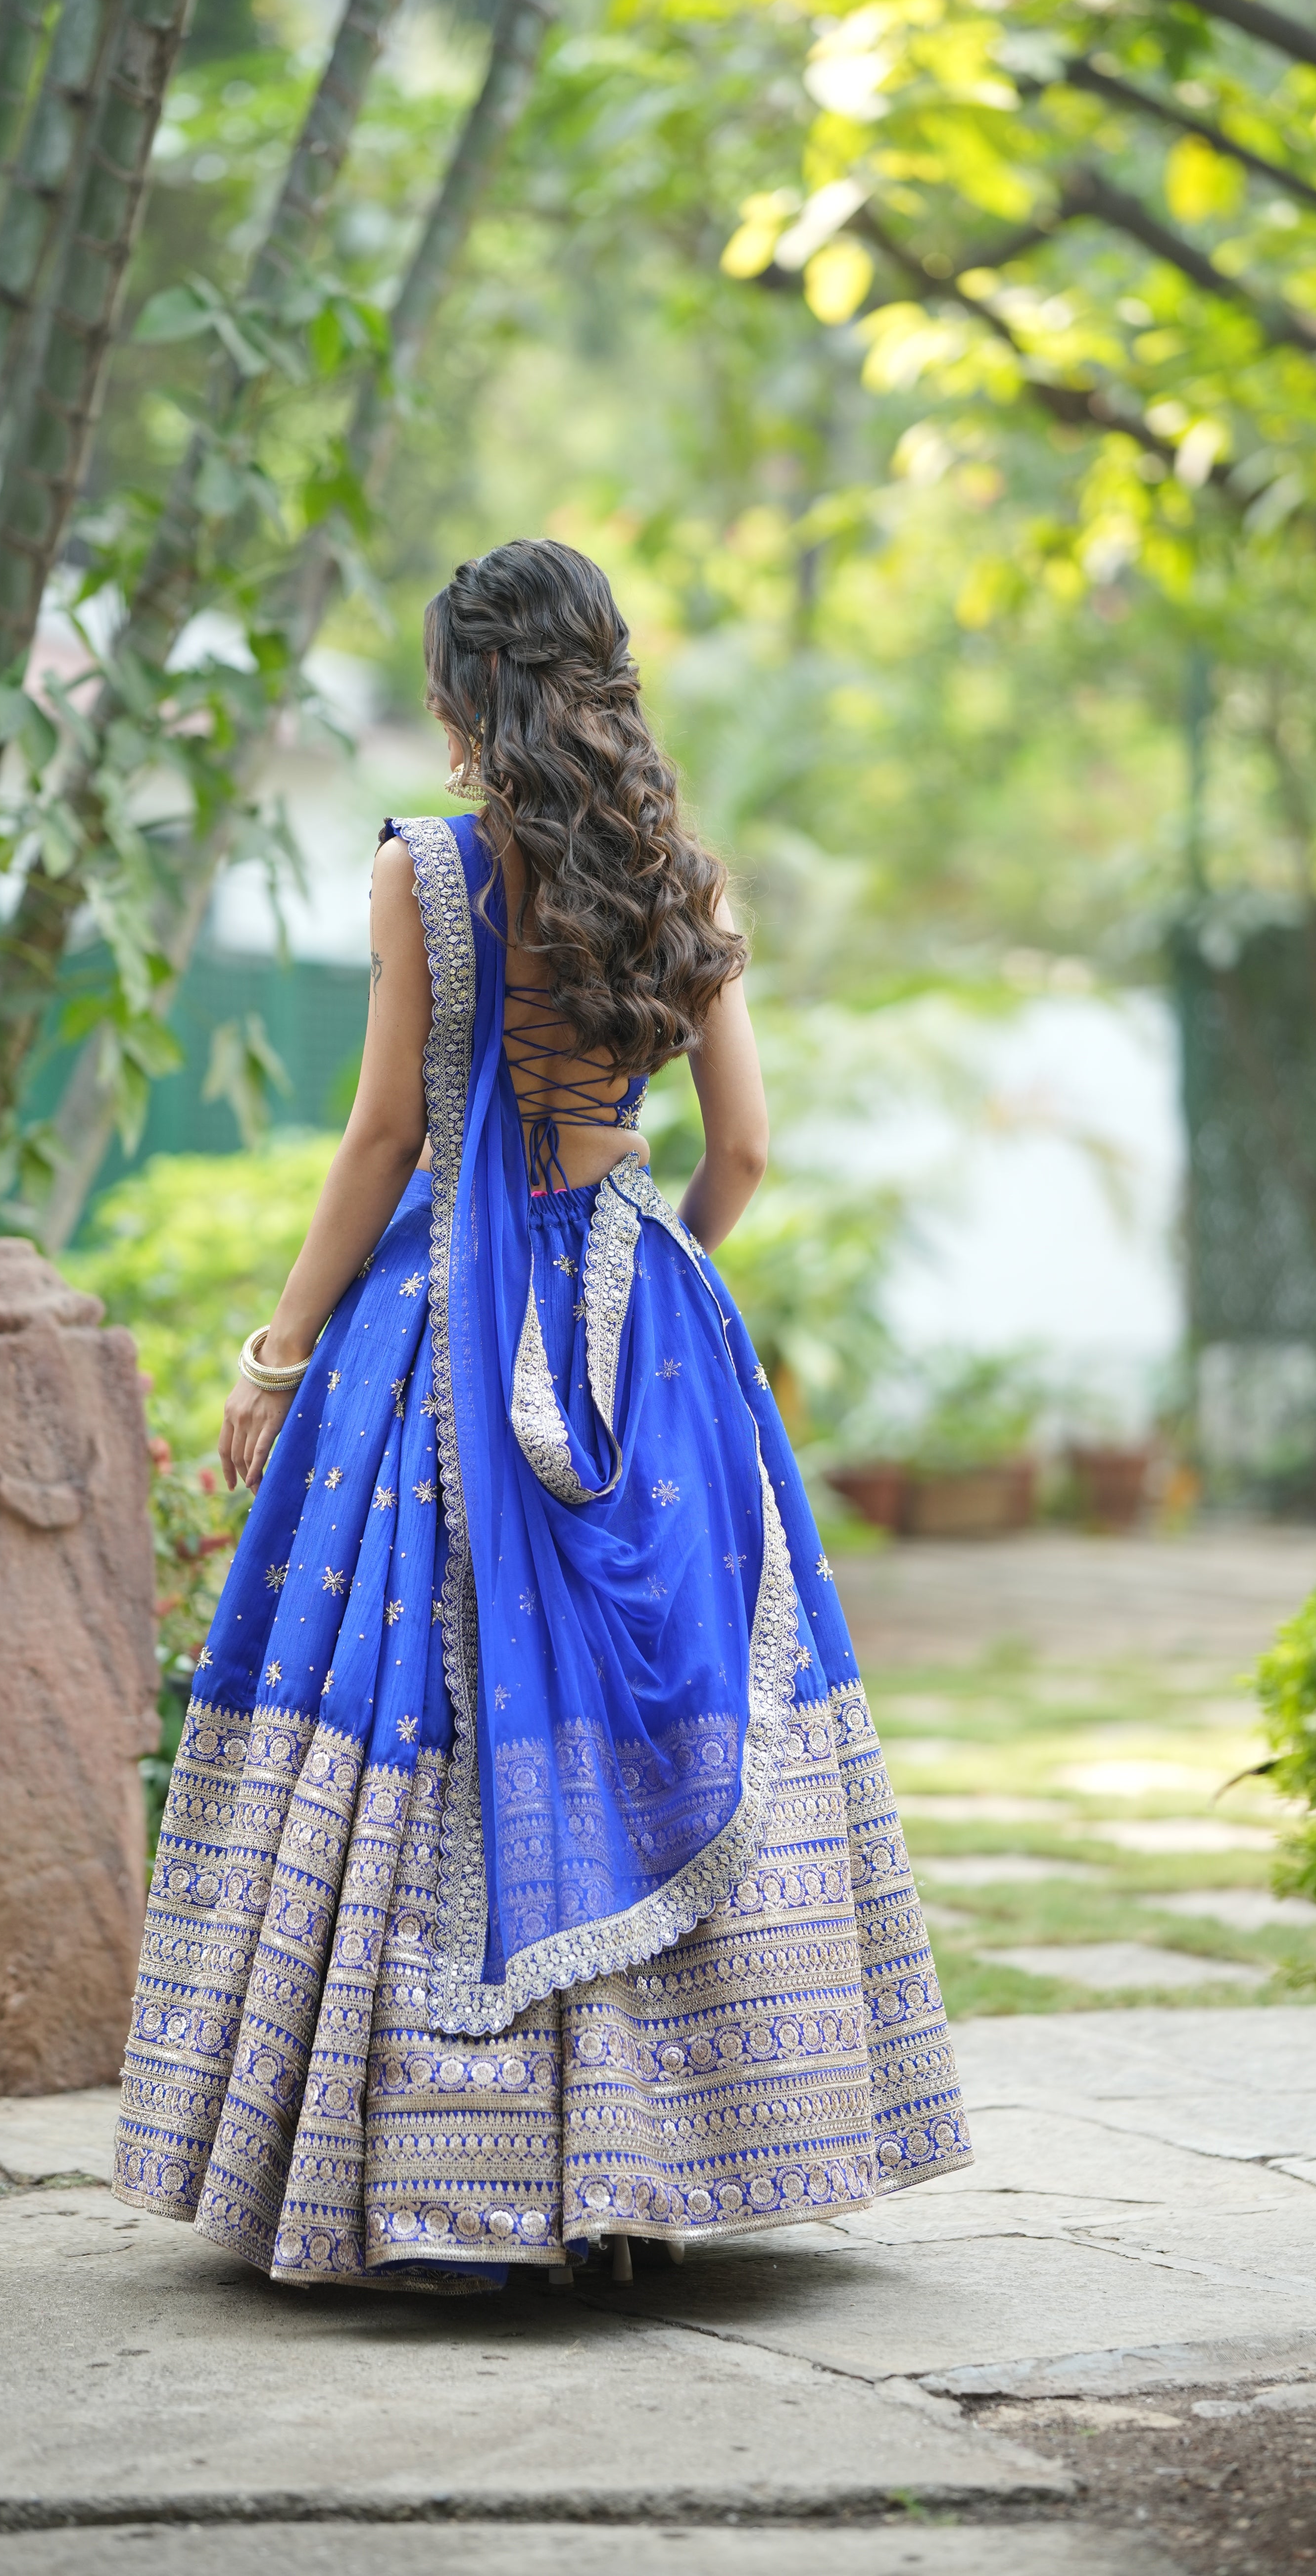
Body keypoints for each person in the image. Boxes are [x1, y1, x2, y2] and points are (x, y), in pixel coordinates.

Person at [113, 538, 971, 2289]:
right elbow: (739, 1152)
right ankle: (663, 2171)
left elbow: (381, 1143)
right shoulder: (682, 881)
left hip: (438, 1338)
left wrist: (277, 1360)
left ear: (460, 699)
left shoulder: (427, 877)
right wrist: (653, 1286)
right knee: (665, 1694)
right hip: (643, 1318)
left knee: (431, 1706)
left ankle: (455, 2184)